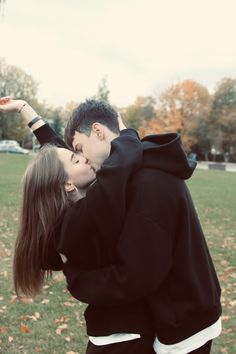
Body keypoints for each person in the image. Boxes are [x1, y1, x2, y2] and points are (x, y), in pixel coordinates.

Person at [60, 99, 222, 354]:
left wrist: (79, 280)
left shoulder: (148, 182)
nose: (83, 160)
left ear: (98, 131)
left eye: (80, 148)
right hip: (178, 309)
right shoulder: (136, 166)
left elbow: (137, 276)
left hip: (184, 324)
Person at [0, 96, 156, 354]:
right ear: (68, 185)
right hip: (123, 340)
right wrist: (126, 135)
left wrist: (26, 111)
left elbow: (55, 158)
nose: (83, 158)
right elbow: (122, 164)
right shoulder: (85, 215)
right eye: (77, 159)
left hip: (114, 331)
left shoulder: (70, 210)